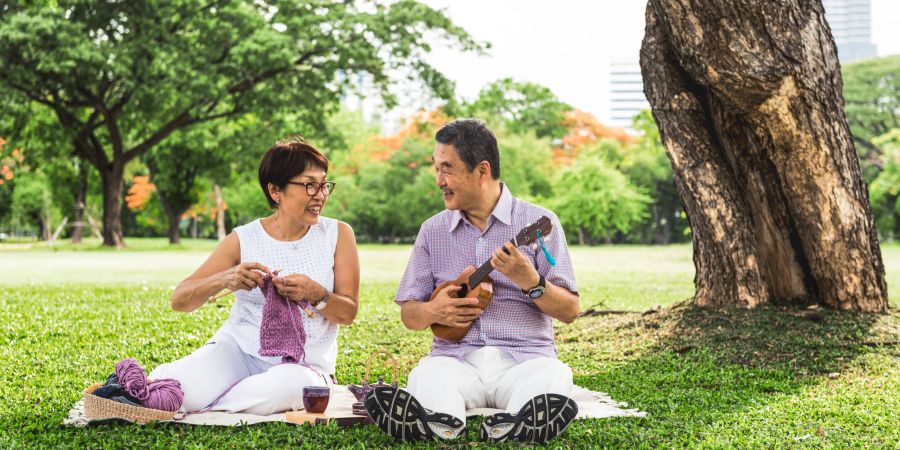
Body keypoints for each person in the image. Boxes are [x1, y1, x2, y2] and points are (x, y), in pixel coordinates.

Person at [364, 119, 580, 443]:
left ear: (482, 170)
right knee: (427, 373)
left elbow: (570, 311)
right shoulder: (432, 230)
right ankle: (447, 425)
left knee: (555, 375)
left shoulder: (538, 223)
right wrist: (433, 312)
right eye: (436, 169)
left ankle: (507, 424)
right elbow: (409, 315)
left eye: (447, 169)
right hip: (456, 361)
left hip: (524, 360)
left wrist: (530, 280)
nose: (439, 180)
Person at [148, 136, 360, 415]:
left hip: (303, 367)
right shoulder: (244, 238)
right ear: (275, 191)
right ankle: (205, 393)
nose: (320, 194)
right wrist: (226, 278)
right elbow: (180, 300)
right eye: (309, 185)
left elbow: (347, 313)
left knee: (293, 389)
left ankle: (209, 402)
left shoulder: (338, 234)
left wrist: (315, 293)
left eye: (324, 184)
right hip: (238, 352)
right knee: (171, 386)